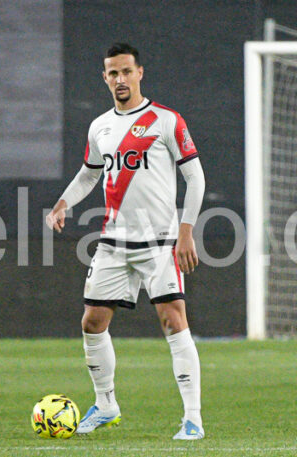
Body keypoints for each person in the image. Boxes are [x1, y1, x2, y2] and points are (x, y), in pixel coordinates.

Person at [45, 42, 207, 440]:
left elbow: (196, 177)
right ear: (105, 77)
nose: (120, 79)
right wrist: (64, 202)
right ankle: (105, 404)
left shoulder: (166, 120)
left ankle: (193, 419)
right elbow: (89, 173)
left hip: (160, 242)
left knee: (173, 321)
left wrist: (186, 230)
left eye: (126, 72)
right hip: (114, 242)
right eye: (112, 73)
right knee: (92, 322)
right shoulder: (99, 126)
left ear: (140, 73)